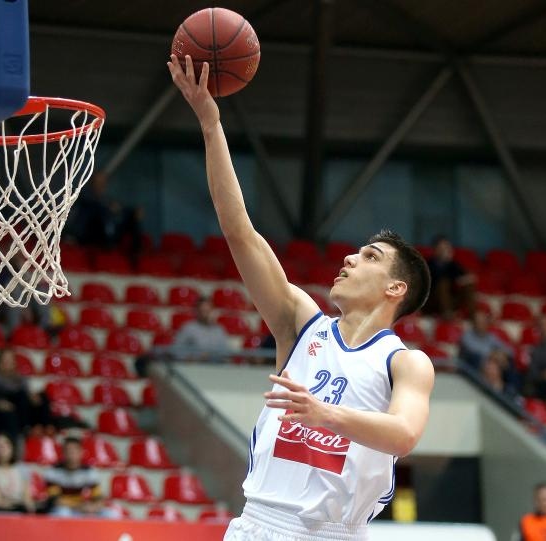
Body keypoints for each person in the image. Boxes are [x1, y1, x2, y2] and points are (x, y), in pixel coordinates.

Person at [168, 55, 434, 540]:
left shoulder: (407, 363)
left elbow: (405, 434)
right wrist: (211, 124)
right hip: (258, 524)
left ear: (397, 288)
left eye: (369, 257)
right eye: (353, 254)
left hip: (333, 531)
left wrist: (325, 413)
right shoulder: (300, 321)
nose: (350, 260)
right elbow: (239, 232)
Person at [44, 437, 117, 518]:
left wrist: (93, 507)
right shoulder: (53, 471)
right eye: (68, 451)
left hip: (80, 510)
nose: (71, 455)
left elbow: (98, 497)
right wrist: (79, 506)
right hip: (64, 509)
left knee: (110, 514)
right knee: (63, 513)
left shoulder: (89, 471)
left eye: (74, 451)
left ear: (81, 452)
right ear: (63, 453)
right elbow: (56, 501)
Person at [422, 236, 476, 319]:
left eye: (447, 248)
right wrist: (456, 280)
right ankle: (448, 315)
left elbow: (465, 278)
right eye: (442, 248)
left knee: (468, 285)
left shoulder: (453, 264)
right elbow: (434, 282)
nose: (445, 251)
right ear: (435, 250)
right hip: (433, 300)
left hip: (451, 298)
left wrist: (464, 280)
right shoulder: (427, 264)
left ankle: (474, 316)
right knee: (443, 284)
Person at [0, 349, 31, 443]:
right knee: (10, 415)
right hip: (0, 411)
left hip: (18, 410)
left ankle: (32, 428)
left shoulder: (21, 379)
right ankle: (14, 441)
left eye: (10, 359)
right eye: (5, 359)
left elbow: (25, 397)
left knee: (39, 398)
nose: (7, 362)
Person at [0, 433, 35, 513]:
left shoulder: (22, 469)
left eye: (6, 444)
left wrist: (30, 510)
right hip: (0, 512)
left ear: (12, 447)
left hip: (21, 511)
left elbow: (27, 497)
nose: (2, 447)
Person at [174, 296, 231, 362]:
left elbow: (225, 352)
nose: (205, 315)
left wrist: (211, 355)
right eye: (202, 311)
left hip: (215, 368)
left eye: (207, 311)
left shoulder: (219, 330)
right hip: (194, 368)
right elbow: (176, 351)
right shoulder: (188, 328)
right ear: (196, 311)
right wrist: (194, 358)